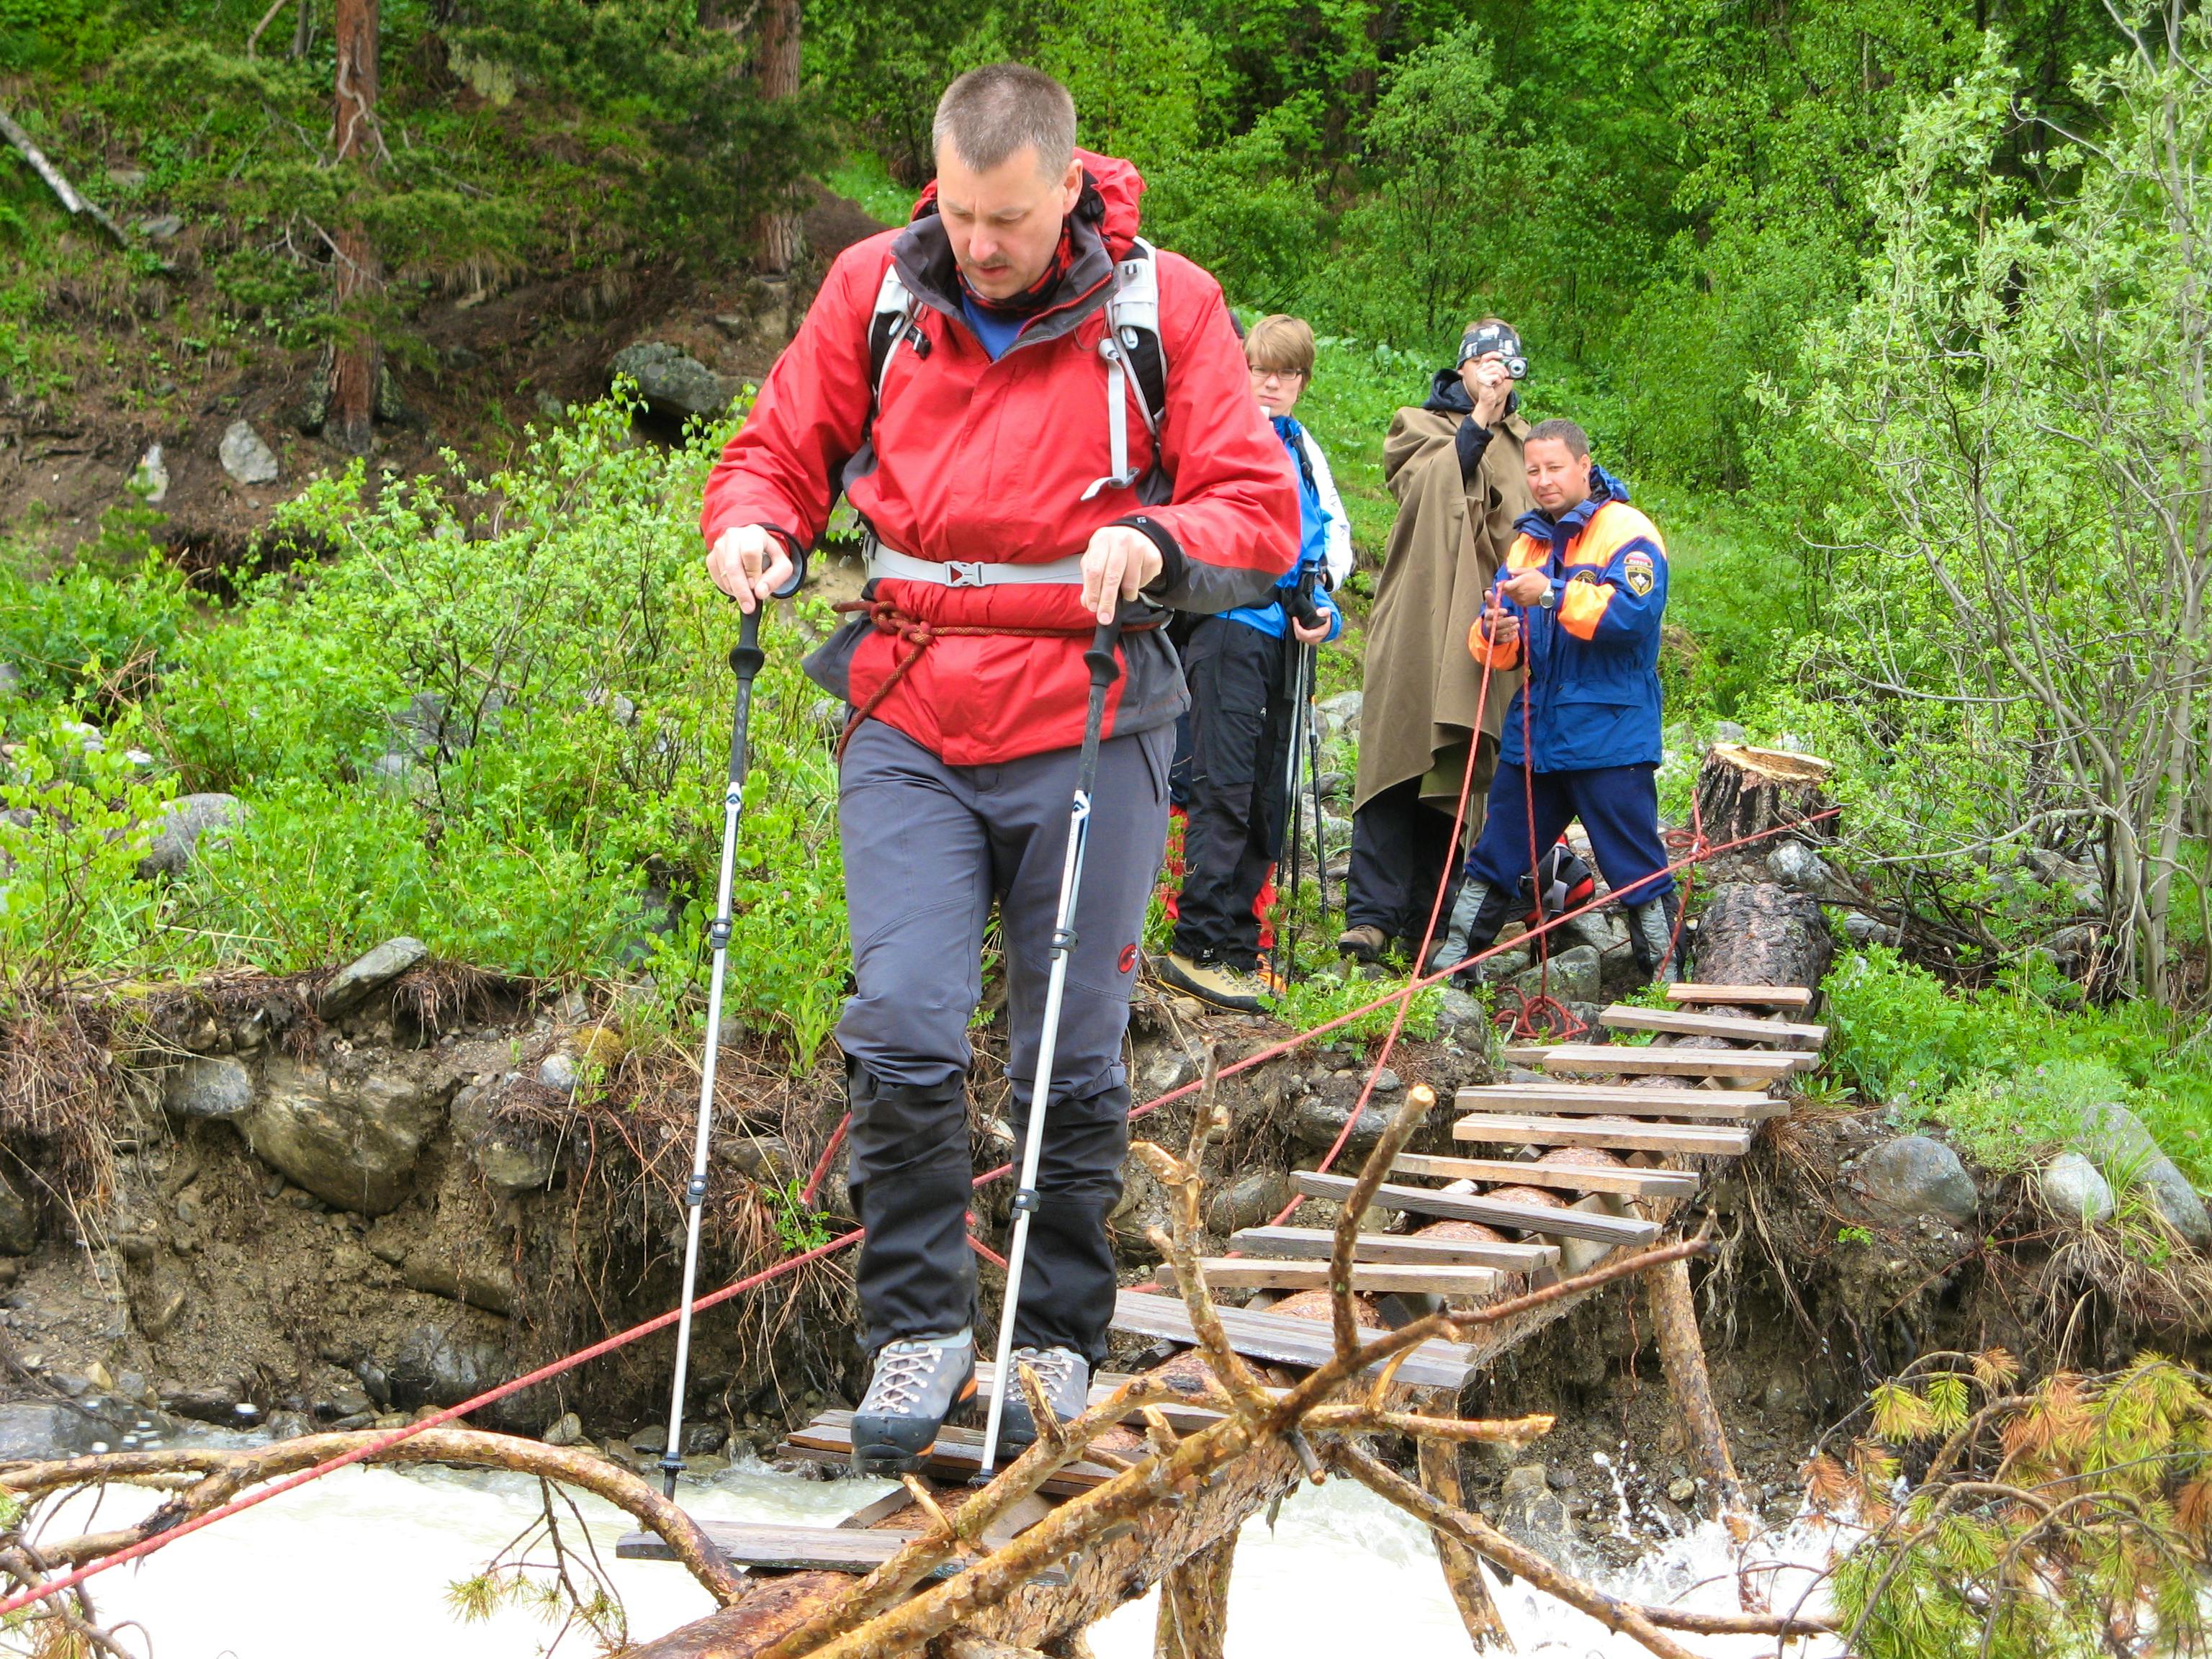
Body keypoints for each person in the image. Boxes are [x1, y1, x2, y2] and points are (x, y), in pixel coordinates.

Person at [699, 64, 1297, 1474]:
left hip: (1093, 711)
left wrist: (1159, 543)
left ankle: (1051, 1333)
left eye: (1010, 219)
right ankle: (917, 1326)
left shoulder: (1167, 309)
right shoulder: (877, 288)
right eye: (961, 213)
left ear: (1069, 188)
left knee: (1068, 1050)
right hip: (908, 706)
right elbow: (775, 452)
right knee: (901, 1019)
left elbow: (1258, 514)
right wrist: (752, 530)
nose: (980, 243)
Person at [1429, 418, 1679, 982]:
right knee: (1495, 855)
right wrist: (1496, 629)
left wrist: (1550, 593)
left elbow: (1630, 617)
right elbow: (1495, 649)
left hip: (1611, 735)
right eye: (1534, 470)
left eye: (1555, 468)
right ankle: (1450, 975)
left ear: (1584, 467)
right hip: (1536, 735)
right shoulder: (1528, 541)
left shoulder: (1629, 532)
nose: (1542, 481)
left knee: (1634, 864)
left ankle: (1666, 984)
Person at [1156, 314, 1351, 1012]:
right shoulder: (1221, 441)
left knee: (1270, 795)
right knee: (1226, 788)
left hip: (1280, 636)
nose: (1272, 383)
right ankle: (1199, 941)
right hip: (1228, 629)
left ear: (1302, 381)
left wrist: (1318, 600)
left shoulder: (1299, 449)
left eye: (1287, 373)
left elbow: (1322, 538)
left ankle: (1238, 944)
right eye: (1262, 369)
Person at [1339, 319, 1533, 966]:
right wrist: (1476, 421)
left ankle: (1428, 920)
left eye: (1506, 367)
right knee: (1398, 753)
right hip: (1420, 620)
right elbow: (1424, 490)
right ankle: (1371, 917)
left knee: (1455, 767)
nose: (1495, 375)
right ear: (1463, 368)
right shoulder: (1417, 425)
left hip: (1483, 631)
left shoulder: (1525, 444)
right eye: (1484, 363)